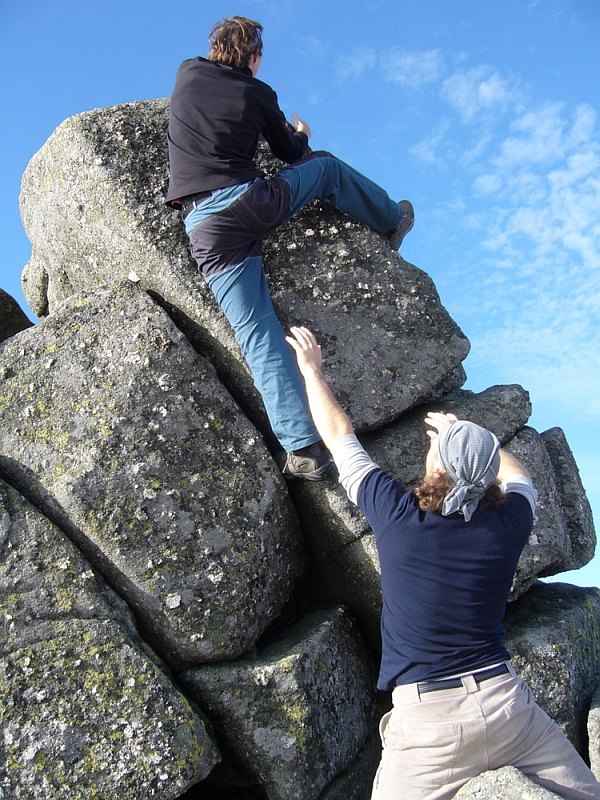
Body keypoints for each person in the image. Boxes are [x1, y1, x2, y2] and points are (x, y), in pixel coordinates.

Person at [286, 324, 600, 800]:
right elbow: (522, 478)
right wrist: (472, 441)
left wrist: (311, 369)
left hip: (429, 729)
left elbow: (338, 436)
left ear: (437, 467)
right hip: (508, 710)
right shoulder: (508, 524)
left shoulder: (398, 515)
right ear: (488, 475)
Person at [166, 16, 414, 481]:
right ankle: (392, 219)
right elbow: (290, 156)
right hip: (246, 202)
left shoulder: (186, 72)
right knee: (325, 169)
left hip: (202, 228)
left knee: (257, 332)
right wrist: (300, 133)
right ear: (254, 57)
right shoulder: (257, 93)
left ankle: (301, 448)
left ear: (213, 46)